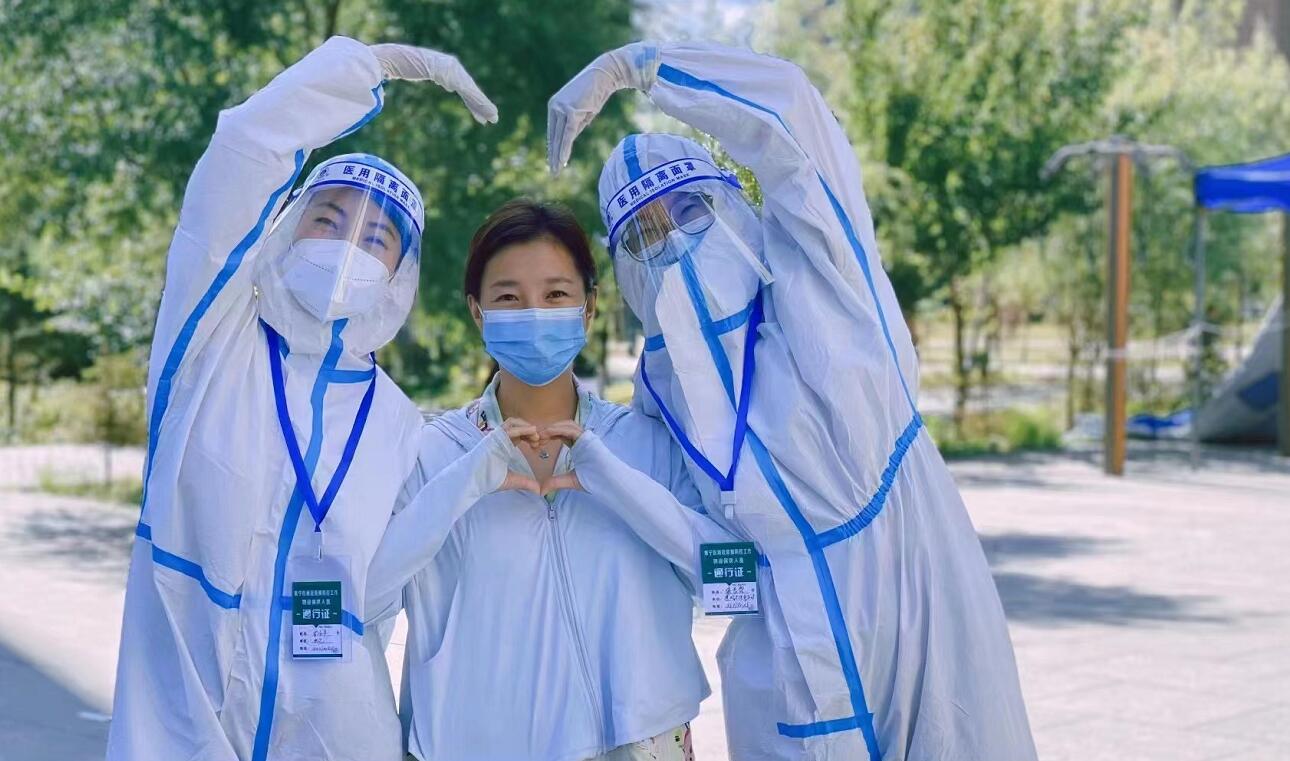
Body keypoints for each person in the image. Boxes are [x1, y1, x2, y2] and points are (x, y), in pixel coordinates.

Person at [548, 42, 1038, 760]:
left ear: (733, 206)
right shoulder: (662, 396)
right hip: (783, 673)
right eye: (645, 235)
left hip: (917, 612)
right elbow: (704, 554)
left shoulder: (827, 297)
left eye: (691, 210)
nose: (674, 241)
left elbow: (794, 129)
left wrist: (643, 69)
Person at [107, 37, 496, 761]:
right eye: (328, 220)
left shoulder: (396, 422)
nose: (348, 246)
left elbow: (395, 588)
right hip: (181, 729)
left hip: (335, 735)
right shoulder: (211, 345)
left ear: (400, 274)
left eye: (377, 237)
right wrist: (371, 65)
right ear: (287, 229)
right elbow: (243, 152)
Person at [363, 199, 734, 761]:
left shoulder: (646, 443)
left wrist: (619, 484)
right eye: (509, 297)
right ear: (477, 312)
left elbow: (731, 584)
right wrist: (466, 483)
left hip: (640, 742)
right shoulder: (430, 454)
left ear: (589, 309)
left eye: (556, 294)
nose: (534, 312)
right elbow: (364, 600)